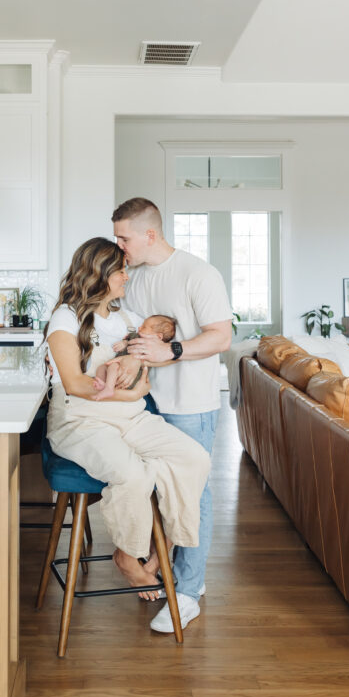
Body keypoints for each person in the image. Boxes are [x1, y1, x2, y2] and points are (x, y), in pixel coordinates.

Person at [45, 237, 211, 600]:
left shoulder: (126, 318)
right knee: (133, 474)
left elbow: (155, 348)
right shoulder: (66, 319)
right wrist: (134, 392)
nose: (126, 277)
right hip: (82, 421)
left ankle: (163, 548)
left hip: (131, 419)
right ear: (100, 274)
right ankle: (127, 554)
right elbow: (74, 384)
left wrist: (137, 359)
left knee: (194, 458)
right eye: (120, 270)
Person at [112, 197, 233, 632]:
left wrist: (173, 350)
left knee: (192, 493)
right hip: (148, 403)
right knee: (158, 491)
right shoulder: (138, 278)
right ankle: (168, 566)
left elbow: (221, 337)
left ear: (150, 234)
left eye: (124, 236)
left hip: (190, 403)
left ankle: (188, 590)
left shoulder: (198, 273)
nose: (119, 244)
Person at [93, 313, 177, 400]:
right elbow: (127, 340)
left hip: (132, 377)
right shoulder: (135, 336)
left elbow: (160, 359)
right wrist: (124, 343)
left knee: (113, 366)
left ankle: (109, 389)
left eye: (144, 327)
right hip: (118, 368)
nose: (139, 328)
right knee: (102, 367)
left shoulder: (156, 349)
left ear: (158, 336)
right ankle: (104, 385)